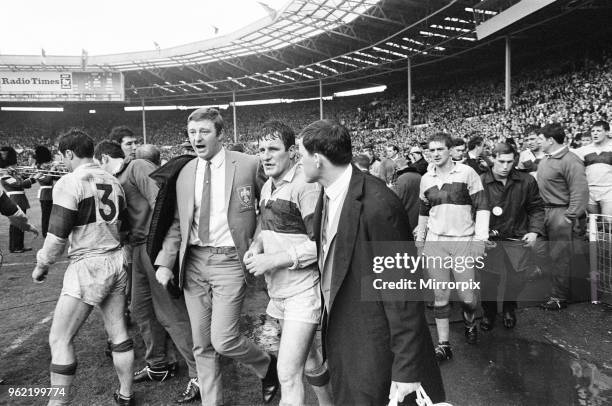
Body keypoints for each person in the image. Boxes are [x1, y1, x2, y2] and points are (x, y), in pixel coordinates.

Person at [300, 119, 444, 405]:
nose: (298, 163)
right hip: (347, 336)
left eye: (301, 155)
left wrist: (406, 368)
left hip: (375, 346)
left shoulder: (379, 205)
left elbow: (403, 290)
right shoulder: (328, 194)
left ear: (317, 159)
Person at [153, 108, 279, 406]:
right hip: (193, 264)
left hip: (230, 262)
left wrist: (259, 241)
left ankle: (265, 364)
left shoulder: (248, 165)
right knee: (202, 345)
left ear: (220, 134)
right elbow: (176, 223)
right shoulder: (183, 172)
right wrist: (164, 261)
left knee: (223, 339)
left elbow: (270, 205)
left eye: (204, 132)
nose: (197, 138)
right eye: (193, 132)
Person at [31, 129, 134, 406]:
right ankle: (126, 394)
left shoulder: (69, 181)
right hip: (116, 260)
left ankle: (57, 402)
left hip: (89, 264)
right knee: (119, 332)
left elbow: (57, 236)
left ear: (69, 153)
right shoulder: (113, 180)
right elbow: (124, 226)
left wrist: (42, 265)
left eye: (62, 156)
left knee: (60, 338)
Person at [94, 141, 200, 403]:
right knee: (141, 309)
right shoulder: (118, 176)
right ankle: (158, 365)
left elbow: (161, 203)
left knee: (170, 312)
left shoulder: (137, 166)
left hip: (152, 246)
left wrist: (164, 251)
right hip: (136, 248)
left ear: (104, 158)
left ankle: (199, 373)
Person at [244, 121, 333, 405]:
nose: (266, 155)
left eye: (273, 149)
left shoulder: (305, 187)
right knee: (309, 361)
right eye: (261, 149)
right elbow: (266, 224)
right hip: (278, 293)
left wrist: (274, 259)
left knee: (286, 373)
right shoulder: (269, 184)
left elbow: (322, 243)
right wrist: (257, 245)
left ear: (292, 151)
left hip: (302, 292)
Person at [416, 132, 490, 361]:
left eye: (440, 149)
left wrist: (480, 239)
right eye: (432, 150)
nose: (435, 154)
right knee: (440, 296)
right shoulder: (426, 178)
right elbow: (423, 212)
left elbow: (483, 207)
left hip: (462, 241)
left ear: (450, 150)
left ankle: (469, 322)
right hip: (436, 242)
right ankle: (444, 344)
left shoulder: (467, 173)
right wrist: (420, 242)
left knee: (467, 297)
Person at [480, 143, 545, 330]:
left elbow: (536, 208)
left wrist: (534, 231)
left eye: (509, 162)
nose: (505, 166)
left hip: (517, 237)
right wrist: (480, 237)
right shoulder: (481, 181)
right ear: (492, 159)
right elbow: (472, 212)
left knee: (517, 278)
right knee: (488, 280)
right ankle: (489, 312)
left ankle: (509, 307)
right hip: (490, 239)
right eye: (501, 161)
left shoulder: (526, 181)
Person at [536, 123, 588, 310]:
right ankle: (555, 290)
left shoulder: (570, 160)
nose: (537, 142)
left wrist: (569, 216)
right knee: (545, 253)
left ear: (550, 140)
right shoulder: (546, 159)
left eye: (540, 139)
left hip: (561, 212)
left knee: (560, 256)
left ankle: (559, 297)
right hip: (546, 211)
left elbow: (580, 190)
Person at [0, 146, 37, 253]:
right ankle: (14, 246)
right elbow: (18, 184)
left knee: (21, 223)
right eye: (14, 165)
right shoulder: (4, 176)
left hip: (21, 198)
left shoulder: (14, 174)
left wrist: (30, 176)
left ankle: (20, 245)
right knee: (16, 223)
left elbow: (26, 185)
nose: (16, 166)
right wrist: (34, 178)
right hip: (15, 198)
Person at [573, 120, 612, 217]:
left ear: (607, 132)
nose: (595, 133)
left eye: (598, 131)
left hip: (609, 189)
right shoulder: (583, 150)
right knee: (593, 222)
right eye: (593, 131)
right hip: (590, 190)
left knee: (607, 221)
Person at [32, 146, 56, 237]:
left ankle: (49, 231)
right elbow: (46, 180)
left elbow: (56, 177)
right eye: (46, 163)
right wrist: (51, 170)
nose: (47, 164)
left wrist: (56, 170)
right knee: (46, 216)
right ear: (41, 163)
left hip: (51, 194)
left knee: (51, 215)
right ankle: (45, 233)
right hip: (45, 195)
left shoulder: (46, 170)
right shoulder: (38, 171)